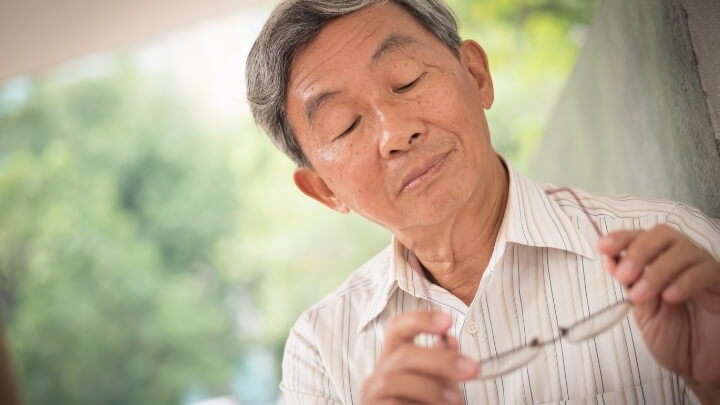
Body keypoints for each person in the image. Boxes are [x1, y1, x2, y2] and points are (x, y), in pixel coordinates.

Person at [245, 0, 720, 403]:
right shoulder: (322, 352)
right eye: (346, 125)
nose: (396, 133)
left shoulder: (677, 254)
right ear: (325, 191)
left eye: (407, 80)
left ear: (476, 75)